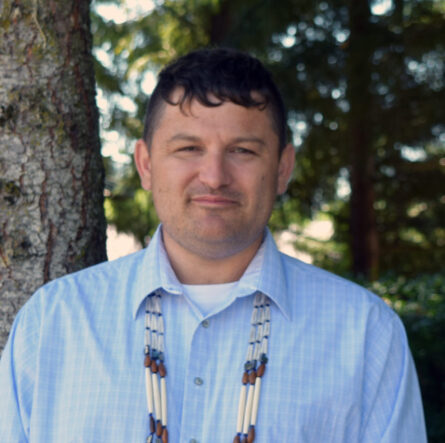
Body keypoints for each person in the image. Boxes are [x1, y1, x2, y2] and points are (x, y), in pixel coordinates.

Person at [0, 48, 426, 443]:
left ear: (283, 168)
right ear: (146, 164)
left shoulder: (365, 335)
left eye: (243, 150)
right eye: (189, 148)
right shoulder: (52, 324)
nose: (215, 176)